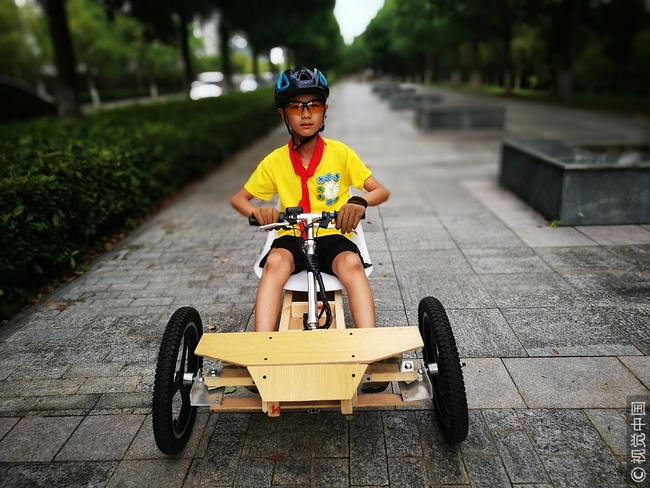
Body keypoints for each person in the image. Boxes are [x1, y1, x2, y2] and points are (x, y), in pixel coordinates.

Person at [231, 67, 390, 333]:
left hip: (331, 234)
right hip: (292, 235)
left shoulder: (341, 154)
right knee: (274, 262)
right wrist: (258, 212)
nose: (306, 114)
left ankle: (368, 340)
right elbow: (240, 199)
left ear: (324, 111)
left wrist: (359, 202)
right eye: (296, 107)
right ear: (283, 114)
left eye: (313, 105)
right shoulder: (275, 161)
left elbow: (380, 191)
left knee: (352, 263)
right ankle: (262, 344)